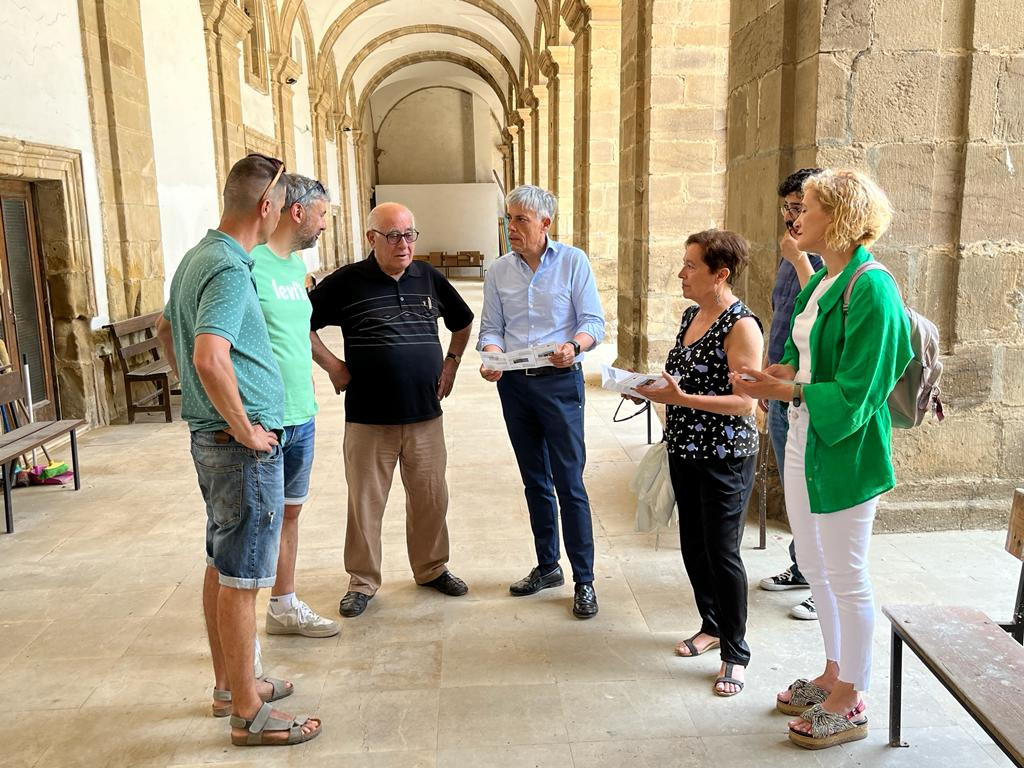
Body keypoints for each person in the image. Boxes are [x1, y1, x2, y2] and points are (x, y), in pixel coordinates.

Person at [732, 169, 912, 749]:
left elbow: (861, 390)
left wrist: (789, 392)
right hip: (805, 438)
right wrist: (780, 372)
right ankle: (834, 669)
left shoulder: (873, 287)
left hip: (846, 447)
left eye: (804, 207)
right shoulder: (823, 280)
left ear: (837, 215)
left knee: (848, 574)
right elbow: (801, 353)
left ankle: (851, 696)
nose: (794, 216)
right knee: (813, 562)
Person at [157, 153, 321, 747]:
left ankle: (232, 683)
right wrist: (246, 426)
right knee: (245, 576)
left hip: (216, 438)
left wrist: (201, 405)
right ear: (268, 206)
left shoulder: (198, 256)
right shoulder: (228, 267)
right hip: (239, 447)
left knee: (223, 564)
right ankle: (249, 713)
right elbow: (207, 354)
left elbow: (163, 331)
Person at [309, 202, 474, 618]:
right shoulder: (347, 281)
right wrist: (334, 366)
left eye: (409, 235)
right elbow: (298, 323)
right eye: (394, 236)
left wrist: (451, 364)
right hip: (368, 417)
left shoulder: (429, 278)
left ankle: (432, 568)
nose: (404, 244)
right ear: (372, 239)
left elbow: (462, 321)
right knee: (366, 502)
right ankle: (362, 581)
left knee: (431, 497)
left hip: (425, 415)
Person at [634, 229, 763, 697]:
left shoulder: (741, 325)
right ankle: (711, 625)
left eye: (691, 266)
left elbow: (746, 404)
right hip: (685, 447)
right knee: (693, 544)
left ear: (720, 275)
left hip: (726, 455)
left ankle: (735, 651)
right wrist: (649, 387)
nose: (681, 273)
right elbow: (681, 376)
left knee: (723, 552)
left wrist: (681, 396)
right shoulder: (693, 314)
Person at [478, 185, 605, 619]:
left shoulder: (573, 262)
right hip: (514, 387)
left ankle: (584, 580)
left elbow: (593, 322)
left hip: (559, 384)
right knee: (535, 479)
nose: (510, 228)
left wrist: (574, 345)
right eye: (507, 220)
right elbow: (491, 327)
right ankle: (548, 565)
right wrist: (491, 355)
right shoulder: (498, 271)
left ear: (545, 223)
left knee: (570, 482)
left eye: (520, 220)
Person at [250, 173, 339, 639]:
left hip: (302, 414)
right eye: (323, 214)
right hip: (262, 422)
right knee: (254, 526)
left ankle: (283, 605)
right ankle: (243, 645)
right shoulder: (248, 264)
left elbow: (299, 334)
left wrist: (331, 367)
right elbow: (183, 331)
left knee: (289, 512)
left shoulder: (291, 270)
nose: (325, 224)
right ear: (297, 212)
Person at [759, 168, 824, 623]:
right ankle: (804, 568)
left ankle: (825, 585)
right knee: (795, 490)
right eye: (788, 208)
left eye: (801, 208)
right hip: (784, 386)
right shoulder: (792, 252)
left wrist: (801, 260)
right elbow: (784, 317)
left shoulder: (825, 259)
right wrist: (769, 373)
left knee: (816, 493)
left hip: (813, 395)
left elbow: (819, 309)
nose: (792, 218)